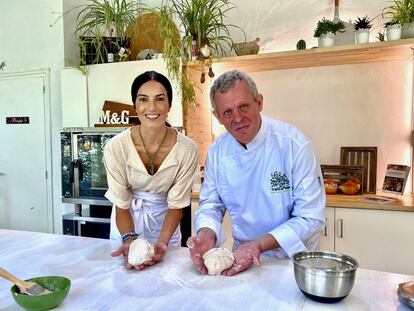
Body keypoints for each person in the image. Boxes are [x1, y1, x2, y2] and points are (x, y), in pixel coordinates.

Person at [187, 70, 325, 276]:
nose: (238, 118)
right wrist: (206, 235)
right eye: (227, 112)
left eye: (243, 106)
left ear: (259, 103)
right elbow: (210, 205)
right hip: (243, 258)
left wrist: (259, 245)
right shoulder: (217, 152)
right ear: (217, 117)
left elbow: (310, 217)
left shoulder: (293, 144)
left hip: (293, 259)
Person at [104, 71, 198, 270]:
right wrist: (129, 240)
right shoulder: (116, 147)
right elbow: (122, 205)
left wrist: (162, 243)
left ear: (169, 105)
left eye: (160, 99)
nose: (152, 107)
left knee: (167, 282)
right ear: (135, 105)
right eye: (143, 99)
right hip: (126, 223)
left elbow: (176, 206)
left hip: (166, 225)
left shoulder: (186, 149)